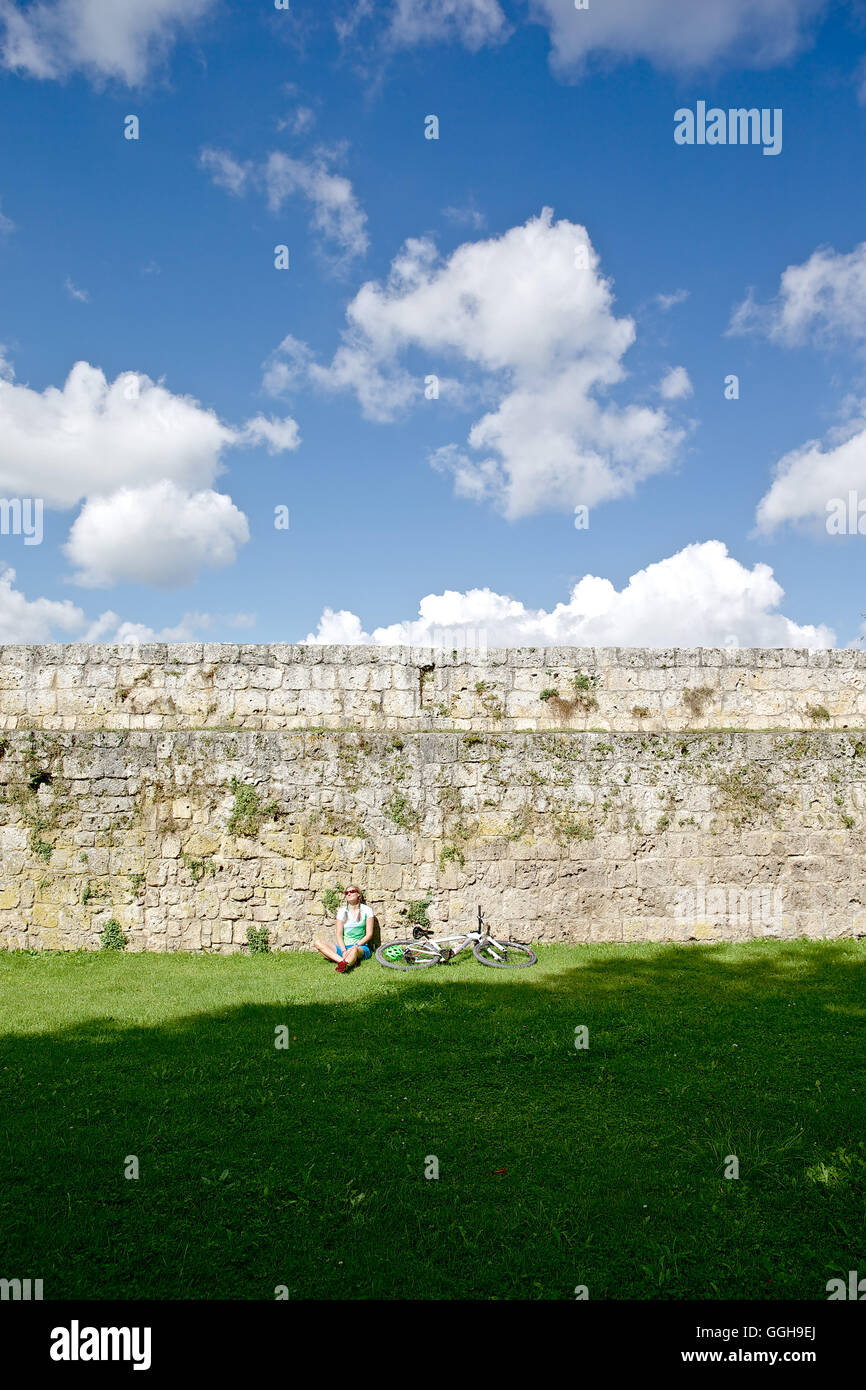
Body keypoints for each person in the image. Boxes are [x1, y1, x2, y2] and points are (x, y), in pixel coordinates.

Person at [313, 885, 375, 973]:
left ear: (358, 895)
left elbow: (369, 934)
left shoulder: (367, 910)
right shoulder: (342, 911)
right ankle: (344, 961)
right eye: (346, 893)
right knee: (318, 943)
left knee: (353, 950)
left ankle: (342, 961)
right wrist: (343, 950)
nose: (348, 894)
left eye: (352, 891)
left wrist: (356, 946)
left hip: (360, 947)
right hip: (344, 948)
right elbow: (338, 934)